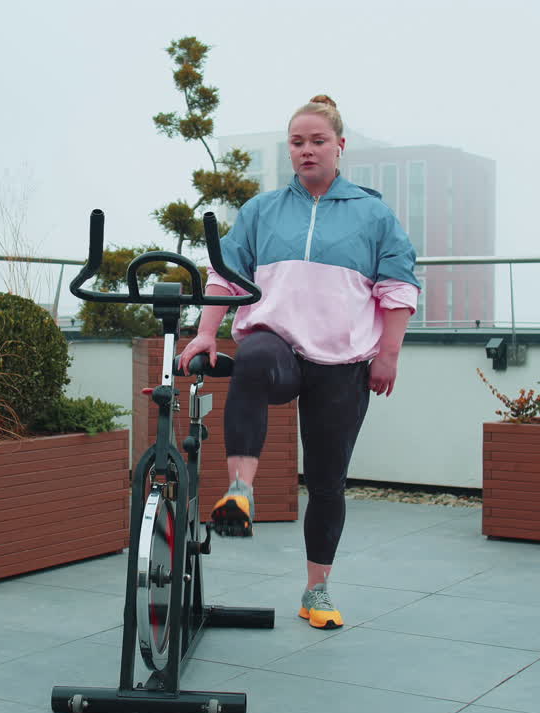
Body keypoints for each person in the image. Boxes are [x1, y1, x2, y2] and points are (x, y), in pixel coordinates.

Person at [178, 95, 419, 630]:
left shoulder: (374, 214)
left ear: (339, 146)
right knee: (254, 357)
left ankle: (317, 590)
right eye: (297, 142)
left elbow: (398, 289)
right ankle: (239, 493)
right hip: (279, 342)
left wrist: (388, 355)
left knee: (328, 483)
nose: (306, 150)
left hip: (346, 360)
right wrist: (205, 333)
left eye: (317, 141)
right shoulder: (263, 210)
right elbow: (227, 277)